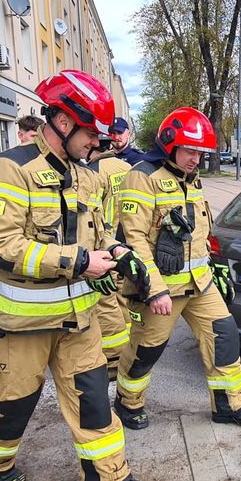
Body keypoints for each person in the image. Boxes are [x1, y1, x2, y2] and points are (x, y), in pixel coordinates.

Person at [0, 69, 160, 481]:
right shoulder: (10, 168)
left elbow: (98, 234)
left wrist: (115, 251)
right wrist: (78, 262)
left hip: (79, 319)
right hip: (21, 324)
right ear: (61, 122)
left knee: (95, 401)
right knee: (14, 402)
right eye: (91, 134)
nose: (99, 143)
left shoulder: (86, 177)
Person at [113, 107, 241, 431]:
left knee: (224, 336)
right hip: (160, 289)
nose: (196, 158)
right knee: (146, 350)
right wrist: (152, 288)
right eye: (190, 150)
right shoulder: (142, 176)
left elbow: (198, 234)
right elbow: (134, 238)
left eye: (201, 152)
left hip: (199, 284)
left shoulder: (191, 179)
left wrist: (215, 269)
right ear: (169, 144)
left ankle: (229, 404)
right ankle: (128, 403)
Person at [86, 143, 134, 380]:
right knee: (123, 299)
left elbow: (91, 213)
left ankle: (115, 359)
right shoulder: (126, 167)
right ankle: (130, 348)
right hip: (127, 245)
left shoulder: (93, 171)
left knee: (105, 303)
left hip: (105, 246)